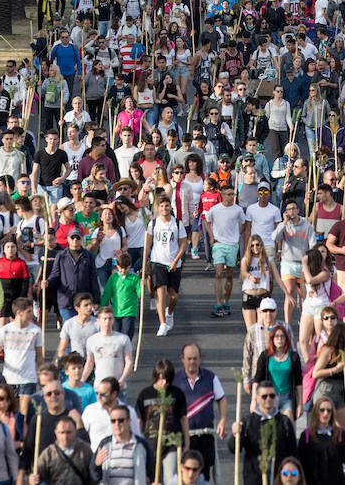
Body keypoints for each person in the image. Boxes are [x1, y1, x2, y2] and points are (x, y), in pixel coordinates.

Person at [173, 343, 227, 481]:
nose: (192, 362)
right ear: (182, 359)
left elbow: (221, 399)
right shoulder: (175, 380)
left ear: (200, 358)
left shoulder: (210, 377)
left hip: (205, 436)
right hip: (184, 437)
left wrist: (222, 420)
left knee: (204, 474)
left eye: (195, 358)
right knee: (184, 475)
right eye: (189, 358)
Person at [228, 380, 297, 485]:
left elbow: (293, 453)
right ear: (257, 397)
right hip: (254, 477)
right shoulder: (247, 421)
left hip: (279, 478)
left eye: (272, 396)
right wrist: (235, 435)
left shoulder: (284, 422)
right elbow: (234, 449)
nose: (268, 399)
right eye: (264, 396)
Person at [136, 359, 189, 483]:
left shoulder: (177, 393)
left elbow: (183, 418)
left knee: (170, 478)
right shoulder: (145, 394)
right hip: (150, 443)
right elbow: (140, 420)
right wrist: (139, 442)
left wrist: (186, 443)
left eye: (167, 379)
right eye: (160, 378)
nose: (164, 382)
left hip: (172, 444)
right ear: (155, 376)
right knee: (152, 478)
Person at [0, 296, 42, 414]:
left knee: (24, 414)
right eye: (29, 312)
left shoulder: (36, 331)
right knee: (10, 413)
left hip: (29, 378)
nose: (32, 314)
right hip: (9, 378)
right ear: (19, 313)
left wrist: (42, 376)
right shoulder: (5, 330)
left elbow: (39, 356)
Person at [144, 194, 186, 336]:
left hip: (173, 263)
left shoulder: (177, 224)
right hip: (158, 262)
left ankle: (169, 312)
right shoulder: (153, 224)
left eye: (166, 206)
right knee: (161, 293)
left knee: (173, 296)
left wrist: (176, 261)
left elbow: (183, 243)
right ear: (158, 208)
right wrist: (145, 263)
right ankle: (162, 324)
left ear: (170, 207)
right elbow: (148, 243)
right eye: (161, 206)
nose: (164, 208)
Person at [272, 198, 317, 325]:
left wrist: (309, 260)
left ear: (298, 210)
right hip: (288, 263)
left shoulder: (307, 226)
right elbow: (275, 237)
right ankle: (287, 322)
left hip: (303, 263)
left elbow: (313, 245)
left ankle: (304, 320)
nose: (292, 212)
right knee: (290, 290)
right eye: (289, 210)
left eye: (293, 209)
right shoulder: (285, 225)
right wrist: (284, 222)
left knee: (303, 295)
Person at [205, 183, 245, 318]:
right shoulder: (215, 209)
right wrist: (211, 237)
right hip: (219, 244)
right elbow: (206, 220)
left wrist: (238, 236)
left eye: (232, 194)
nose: (231, 197)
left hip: (232, 244)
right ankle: (218, 303)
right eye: (228, 194)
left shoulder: (238, 210)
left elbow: (243, 222)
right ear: (222, 195)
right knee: (218, 273)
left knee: (229, 275)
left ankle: (226, 302)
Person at [90, 400, 155, 485]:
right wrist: (97, 465)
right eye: (113, 421)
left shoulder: (142, 445)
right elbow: (94, 476)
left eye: (121, 420)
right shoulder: (105, 444)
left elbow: (152, 472)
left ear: (129, 421)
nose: (117, 424)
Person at [242, 298, 295, 399]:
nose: (268, 314)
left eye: (271, 310)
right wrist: (246, 379)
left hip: (282, 377)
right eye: (265, 311)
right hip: (260, 376)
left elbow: (293, 353)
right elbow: (247, 355)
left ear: (276, 311)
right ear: (260, 312)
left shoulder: (285, 328)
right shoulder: (253, 330)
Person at [43, 229, 100, 322]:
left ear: (81, 239)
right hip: (66, 300)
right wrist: (48, 282)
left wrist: (96, 300)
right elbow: (55, 274)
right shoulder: (61, 256)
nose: (75, 240)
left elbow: (93, 278)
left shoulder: (88, 256)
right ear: (68, 239)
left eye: (77, 237)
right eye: (72, 237)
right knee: (70, 329)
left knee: (84, 329)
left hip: (84, 300)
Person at [253, 325, 303, 423]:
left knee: (288, 425)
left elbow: (298, 381)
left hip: (287, 397)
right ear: (272, 339)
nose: (279, 339)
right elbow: (257, 379)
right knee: (270, 426)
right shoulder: (265, 356)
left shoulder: (293, 357)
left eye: (282, 336)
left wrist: (300, 404)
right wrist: (254, 400)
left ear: (286, 338)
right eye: (276, 336)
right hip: (270, 396)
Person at [81, 306, 133, 398]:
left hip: (118, 386)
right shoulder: (92, 340)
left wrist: (122, 379)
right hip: (99, 387)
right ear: (98, 320)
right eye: (104, 319)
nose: (107, 322)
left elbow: (129, 361)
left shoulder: (123, 339)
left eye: (110, 319)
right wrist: (82, 379)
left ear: (113, 320)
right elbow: (90, 362)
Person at [27, 415, 93, 485]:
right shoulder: (49, 453)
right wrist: (32, 479)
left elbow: (93, 476)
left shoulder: (85, 449)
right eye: (62, 433)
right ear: (56, 433)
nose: (65, 437)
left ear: (75, 431)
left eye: (69, 432)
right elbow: (36, 474)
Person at [297, 397, 345, 485]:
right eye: (322, 410)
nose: (326, 413)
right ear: (316, 412)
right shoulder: (306, 435)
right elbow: (301, 462)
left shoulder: (339, 434)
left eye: (329, 410)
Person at [82, 378, 140, 451]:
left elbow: (136, 436)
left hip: (122, 456)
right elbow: (82, 436)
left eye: (103, 394)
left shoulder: (129, 412)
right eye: (97, 393)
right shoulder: (90, 411)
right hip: (98, 457)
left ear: (114, 394)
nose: (98, 397)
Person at [100, 252, 140, 340]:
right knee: (115, 336)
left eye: (125, 268)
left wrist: (142, 285)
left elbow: (140, 294)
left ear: (130, 266)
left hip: (129, 311)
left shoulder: (134, 278)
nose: (123, 271)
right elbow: (107, 293)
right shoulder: (113, 278)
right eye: (121, 268)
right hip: (116, 311)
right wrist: (101, 306)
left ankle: (126, 352)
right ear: (117, 266)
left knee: (126, 336)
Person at [57, 292, 100, 359]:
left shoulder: (98, 323)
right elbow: (62, 349)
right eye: (86, 305)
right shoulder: (69, 324)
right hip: (77, 363)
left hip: (94, 363)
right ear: (77, 308)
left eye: (90, 304)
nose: (89, 307)